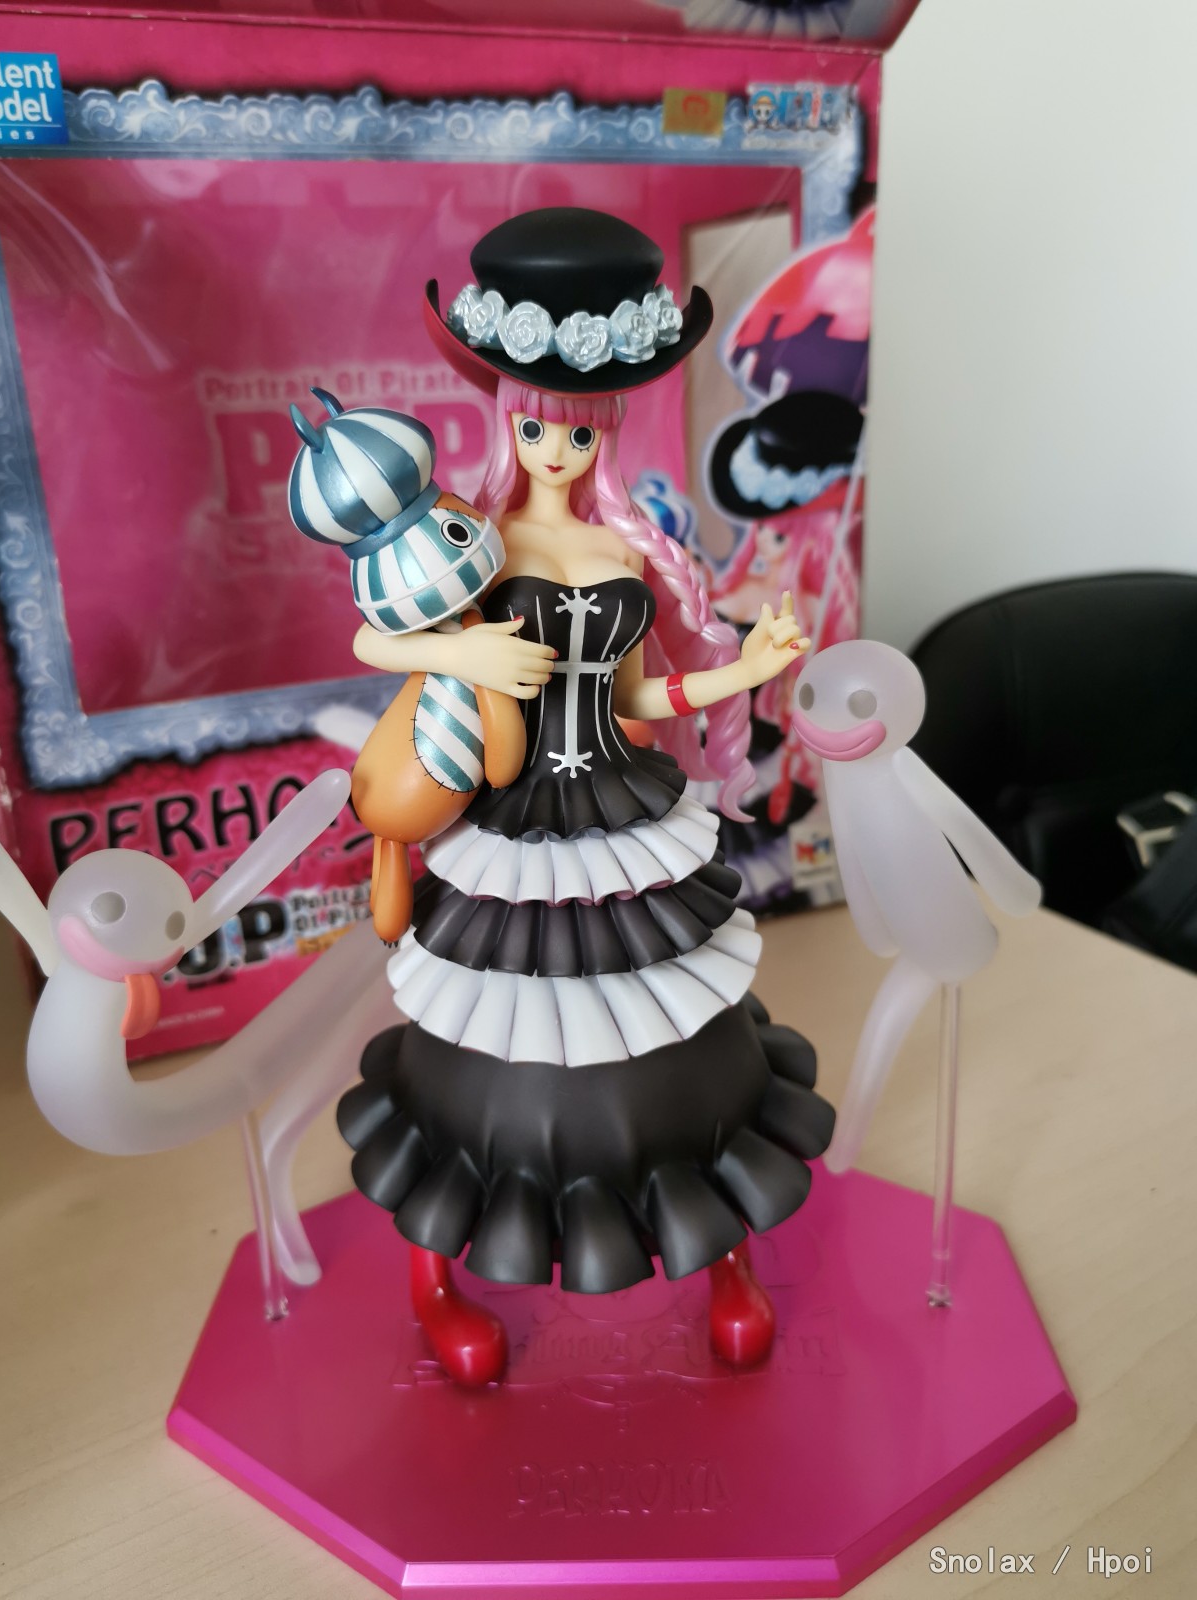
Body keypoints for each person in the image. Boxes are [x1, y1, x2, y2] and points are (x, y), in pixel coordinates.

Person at [338, 208, 835, 1386]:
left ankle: (722, 1252)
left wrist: (747, 670)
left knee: (682, 1042)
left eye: (575, 430)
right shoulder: (467, 542)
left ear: (602, 429)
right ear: (508, 421)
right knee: (481, 1053)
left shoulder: (626, 554)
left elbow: (637, 693)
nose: (553, 450)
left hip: (620, 810)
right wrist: (461, 651)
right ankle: (437, 1277)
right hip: (511, 819)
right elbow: (372, 637)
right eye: (533, 426)